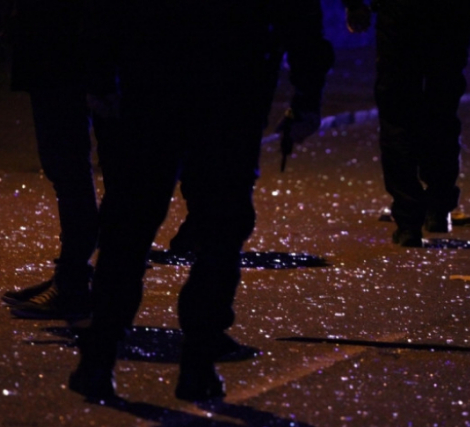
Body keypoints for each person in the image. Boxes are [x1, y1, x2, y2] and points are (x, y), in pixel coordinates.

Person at [68, 0, 334, 400]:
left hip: (155, 80)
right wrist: (307, 97)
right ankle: (196, 361)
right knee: (219, 229)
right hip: (233, 88)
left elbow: (106, 13)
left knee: (131, 222)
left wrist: (101, 75)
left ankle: (100, 355)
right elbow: (300, 18)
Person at [344, 0, 470, 247]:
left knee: (398, 117)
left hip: (401, 20)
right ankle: (438, 205)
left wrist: (355, 5)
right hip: (452, 20)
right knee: (441, 113)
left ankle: (409, 219)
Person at [0, 0, 102, 320]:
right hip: (58, 48)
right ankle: (72, 275)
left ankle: (73, 281)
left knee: (68, 167)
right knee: (67, 166)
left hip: (62, 50)